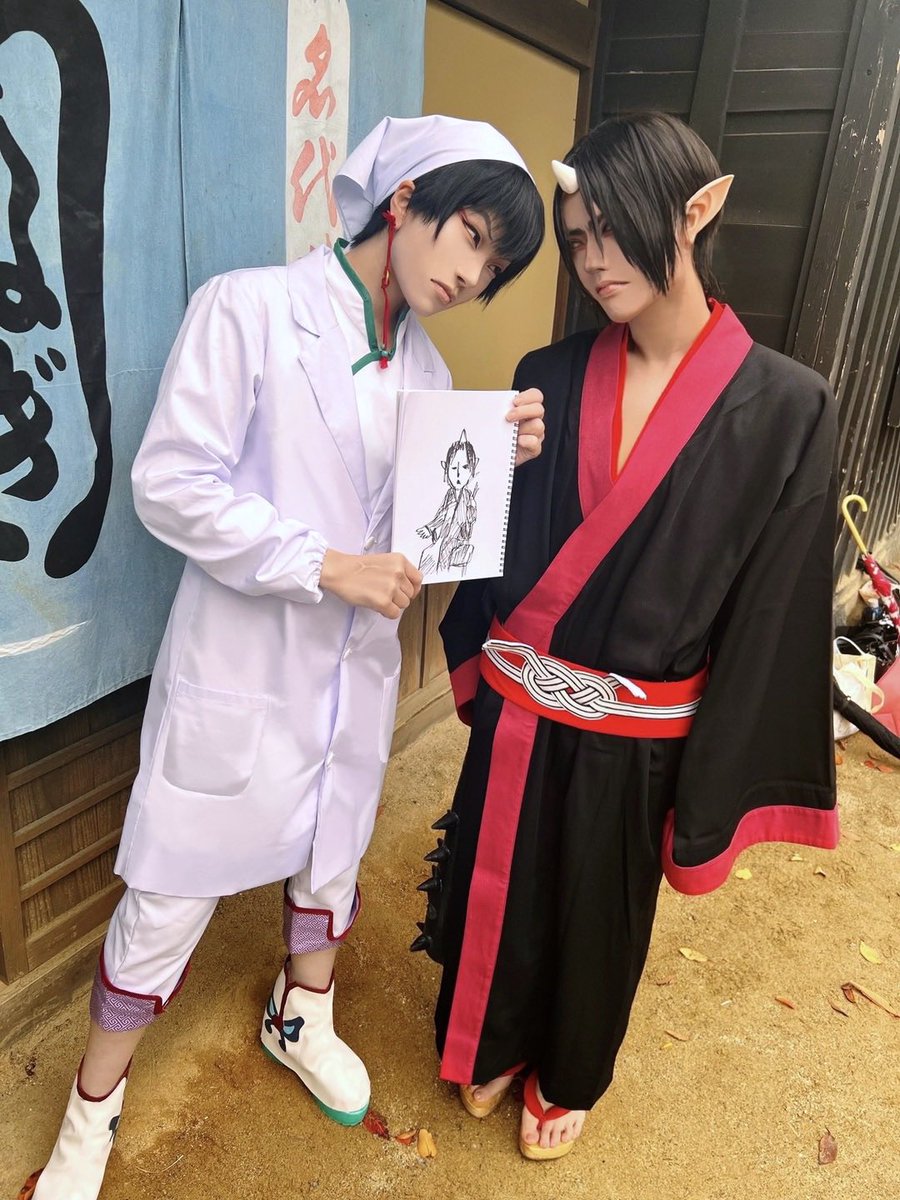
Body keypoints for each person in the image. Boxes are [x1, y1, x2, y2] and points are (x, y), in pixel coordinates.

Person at [22, 114, 545, 1200]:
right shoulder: (248, 309)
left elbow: (424, 531)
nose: (472, 275)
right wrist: (323, 564)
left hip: (349, 678)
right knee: (168, 896)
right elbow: (171, 484)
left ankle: (300, 1016)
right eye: (472, 237)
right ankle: (90, 1114)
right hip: (242, 665)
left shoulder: (430, 369)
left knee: (332, 853)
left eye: (495, 267)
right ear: (406, 197)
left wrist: (498, 456)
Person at [416, 111, 837, 1162]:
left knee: (600, 909)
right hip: (526, 701)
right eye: (577, 238)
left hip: (641, 726)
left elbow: (774, 608)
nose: (594, 259)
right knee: (503, 879)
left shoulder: (789, 406)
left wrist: (717, 774)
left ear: (698, 211)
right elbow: (485, 530)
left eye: (612, 228)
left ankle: (567, 1071)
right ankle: (493, 1037)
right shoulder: (549, 373)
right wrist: (499, 467)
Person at [417, 429, 479, 576]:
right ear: (446, 468)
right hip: (443, 539)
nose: (458, 474)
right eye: (454, 468)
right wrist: (430, 527)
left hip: (455, 543)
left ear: (472, 468)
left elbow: (463, 523)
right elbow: (441, 515)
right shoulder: (449, 495)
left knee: (435, 558)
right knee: (428, 557)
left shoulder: (467, 498)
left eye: (465, 467)